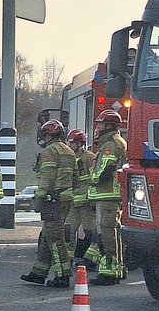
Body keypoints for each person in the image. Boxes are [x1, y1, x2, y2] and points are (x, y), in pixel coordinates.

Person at [20, 119, 75, 288]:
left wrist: (39, 198)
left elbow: (47, 178)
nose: (43, 138)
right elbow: (76, 177)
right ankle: (39, 272)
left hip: (53, 200)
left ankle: (63, 275)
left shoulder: (50, 151)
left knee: (55, 239)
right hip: (65, 198)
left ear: (49, 135)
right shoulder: (69, 151)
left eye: (45, 135)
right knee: (46, 236)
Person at [88, 109, 128, 285]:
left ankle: (109, 272)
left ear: (109, 126)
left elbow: (106, 167)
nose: (98, 128)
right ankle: (118, 269)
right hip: (111, 195)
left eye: (101, 125)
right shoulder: (117, 141)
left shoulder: (110, 144)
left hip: (108, 194)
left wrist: (93, 179)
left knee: (107, 234)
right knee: (114, 233)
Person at [63, 129, 99, 271]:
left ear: (80, 143)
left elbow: (95, 178)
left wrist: (92, 198)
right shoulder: (68, 158)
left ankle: (92, 260)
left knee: (91, 231)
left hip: (86, 202)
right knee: (68, 230)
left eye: (72, 143)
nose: (69, 145)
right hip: (73, 202)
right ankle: (68, 258)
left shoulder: (89, 158)